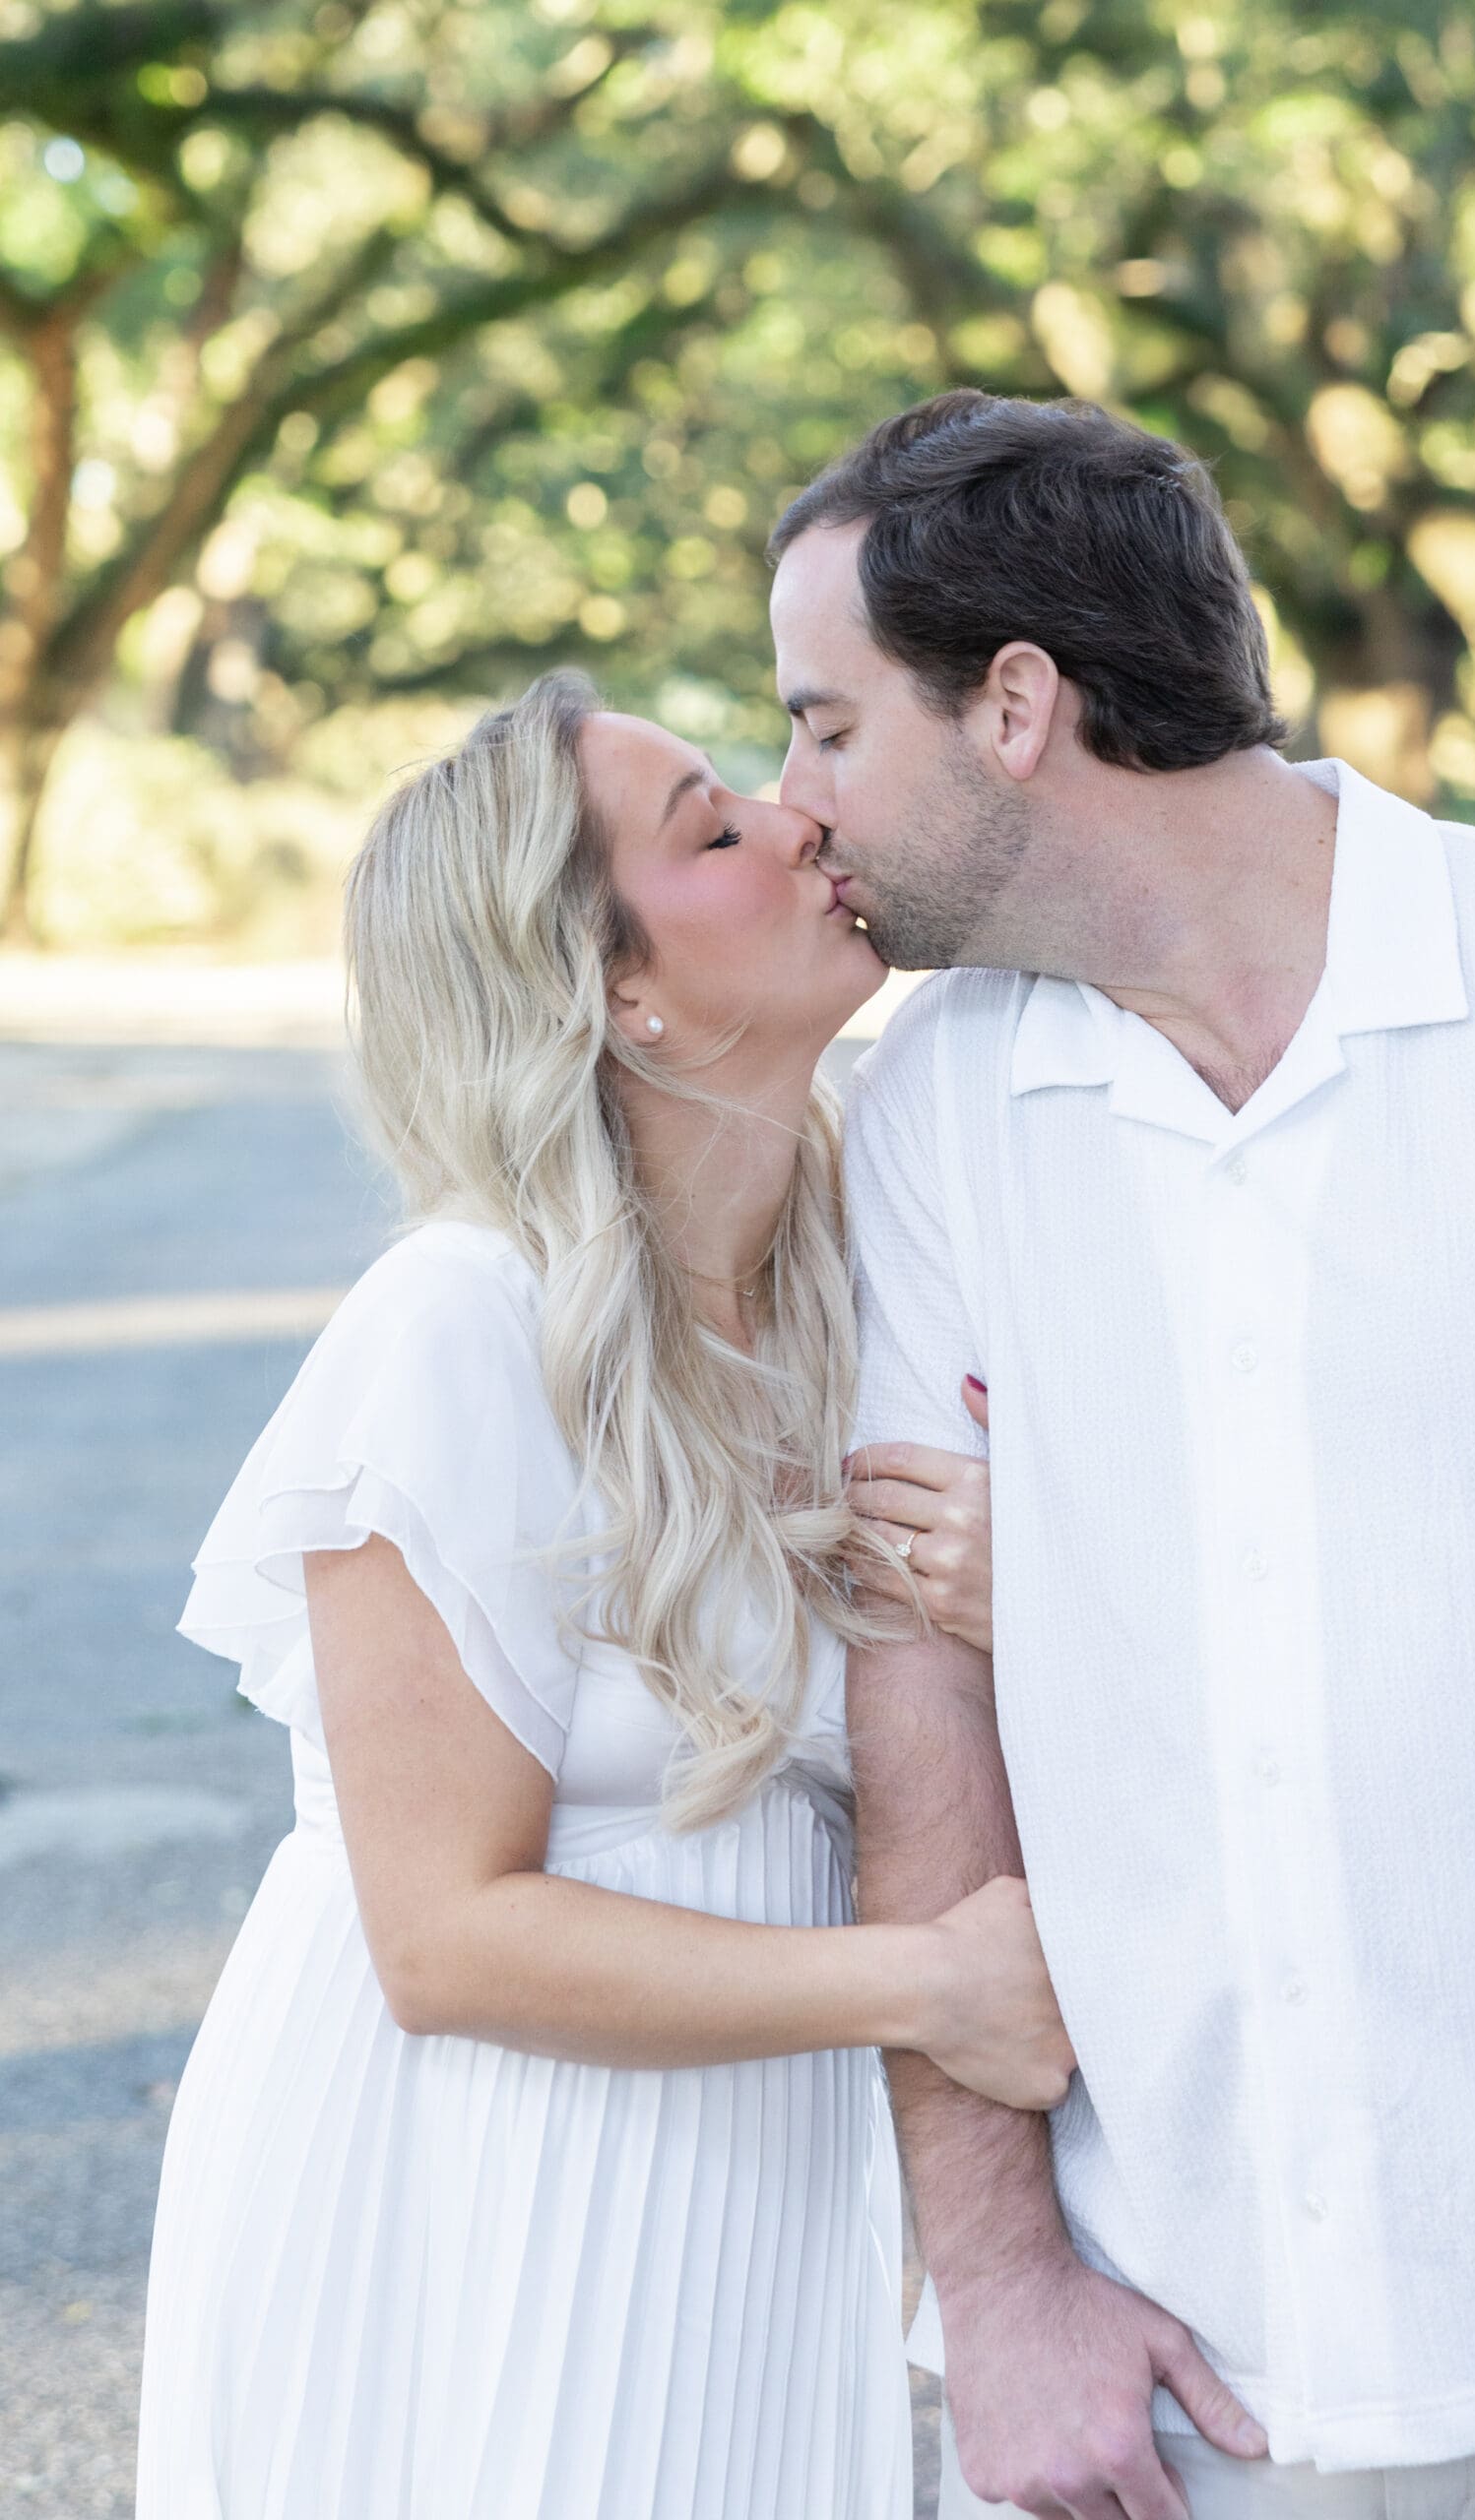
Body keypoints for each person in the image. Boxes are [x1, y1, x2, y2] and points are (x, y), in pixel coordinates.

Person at [768, 389, 1475, 2519]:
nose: (789, 795)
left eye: (824, 725)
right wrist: (996, 2283)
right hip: (1196, 2393)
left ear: (1014, 704)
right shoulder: (932, 1108)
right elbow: (916, 1684)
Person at [136, 669, 1073, 2520]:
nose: (799, 818)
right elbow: (440, 1939)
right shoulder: (459, 1323)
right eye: (713, 829)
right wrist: (927, 1986)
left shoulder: (855, 1284)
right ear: (611, 986)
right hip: (468, 2196)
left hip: (743, 2197)